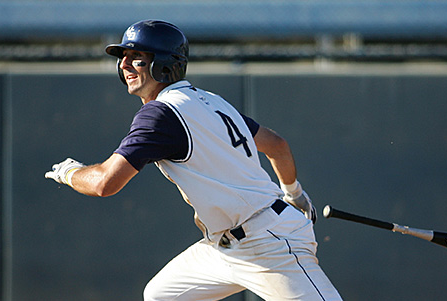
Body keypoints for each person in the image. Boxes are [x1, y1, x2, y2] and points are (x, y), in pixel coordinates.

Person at [45, 19, 342, 300]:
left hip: (267, 243)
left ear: (164, 64)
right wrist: (294, 192)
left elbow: (105, 183)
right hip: (227, 245)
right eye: (122, 56)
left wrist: (70, 172)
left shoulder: (160, 114)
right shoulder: (210, 100)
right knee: (162, 295)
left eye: (137, 56)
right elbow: (277, 145)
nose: (124, 64)